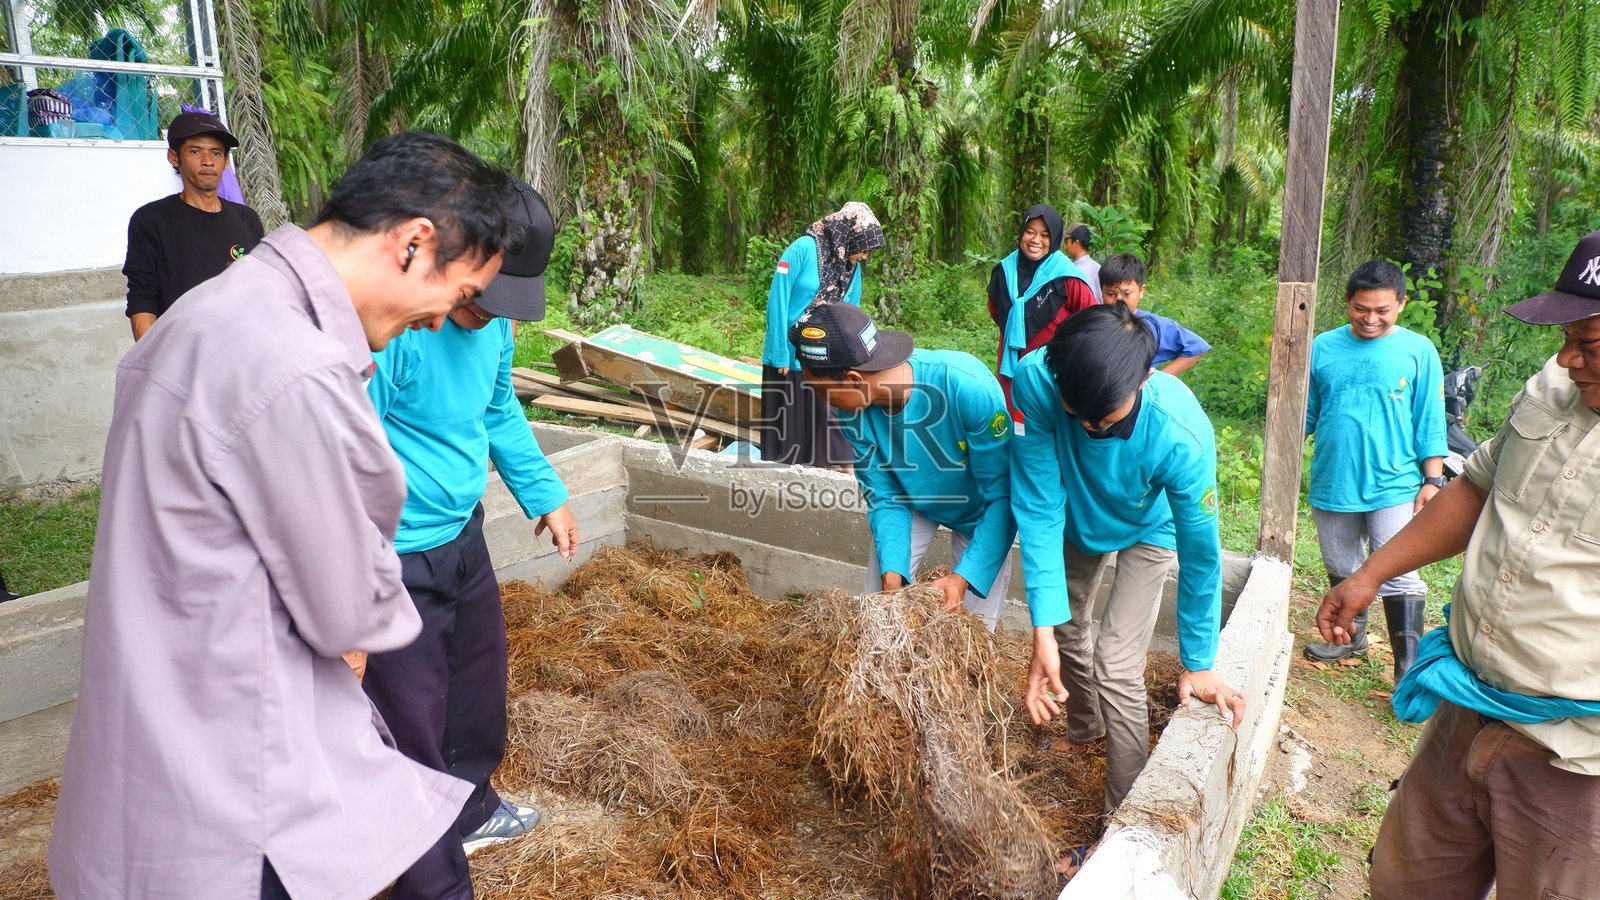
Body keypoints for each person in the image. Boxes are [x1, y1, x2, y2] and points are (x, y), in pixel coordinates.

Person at [48, 131, 519, 899]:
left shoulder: (209, 313)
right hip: (240, 791)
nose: (441, 321)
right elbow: (348, 610)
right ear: (413, 244)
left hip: (159, 757)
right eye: (460, 295)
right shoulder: (295, 366)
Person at [1315, 230, 1600, 899]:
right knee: (1405, 882)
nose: (1566, 357)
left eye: (1589, 344)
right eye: (1566, 338)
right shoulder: (1552, 389)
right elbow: (1474, 488)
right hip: (1466, 706)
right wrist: (1369, 574)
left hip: (1574, 760)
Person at [362, 175, 578, 899]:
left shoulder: (495, 326)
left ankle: (475, 806)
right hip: (395, 554)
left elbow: (499, 413)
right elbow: (352, 452)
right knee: (411, 715)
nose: (489, 315)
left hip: (462, 534)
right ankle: (424, 867)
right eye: (484, 296)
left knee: (477, 684)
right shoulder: (402, 332)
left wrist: (545, 495)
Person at [1009, 304, 1244, 826]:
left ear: (1145, 376)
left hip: (1148, 523)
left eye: (1106, 420)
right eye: (1080, 417)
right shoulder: (1034, 379)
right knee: (1066, 626)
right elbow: (1038, 501)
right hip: (1077, 512)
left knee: (1116, 661)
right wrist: (1040, 627)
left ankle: (1124, 817)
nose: (1091, 427)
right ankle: (1083, 728)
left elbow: (1201, 554)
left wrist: (1199, 660)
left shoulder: (1180, 432)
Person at [790, 302, 1017, 629]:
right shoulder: (853, 412)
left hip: (982, 512)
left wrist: (962, 578)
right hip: (910, 500)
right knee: (878, 612)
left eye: (822, 392)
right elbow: (884, 495)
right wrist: (892, 574)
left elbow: (1003, 495)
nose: (822, 401)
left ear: (853, 378)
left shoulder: (966, 389)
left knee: (972, 633)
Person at [1300, 260, 1445, 681]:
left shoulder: (1418, 351)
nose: (1370, 318)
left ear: (1401, 304)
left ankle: (1406, 665)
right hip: (1334, 479)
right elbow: (1305, 413)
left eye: (1382, 309)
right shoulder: (1322, 347)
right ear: (1347, 302)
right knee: (1342, 563)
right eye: (1361, 308)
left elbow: (1430, 420)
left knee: (1397, 570)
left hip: (1394, 483)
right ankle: (1350, 637)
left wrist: (1432, 480)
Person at [760, 202, 885, 467]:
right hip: (790, 356)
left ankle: (824, 480)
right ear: (847, 234)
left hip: (823, 357)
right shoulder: (802, 250)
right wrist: (779, 351)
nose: (864, 257)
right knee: (789, 433)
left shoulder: (851, 268)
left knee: (825, 421)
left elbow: (851, 313)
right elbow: (778, 300)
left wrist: (854, 353)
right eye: (863, 248)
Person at [123, 110, 265, 340]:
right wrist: (152, 363)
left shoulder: (247, 219)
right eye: (196, 151)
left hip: (244, 354)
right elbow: (142, 298)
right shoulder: (150, 220)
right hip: (185, 358)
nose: (208, 161)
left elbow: (262, 291)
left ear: (226, 161)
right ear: (174, 157)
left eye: (216, 153)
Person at [985, 204, 1098, 420]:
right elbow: (996, 312)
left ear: (1054, 238)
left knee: (1050, 426)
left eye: (1045, 235)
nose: (1036, 240)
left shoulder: (1065, 276)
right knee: (1015, 426)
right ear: (1021, 233)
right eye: (1030, 232)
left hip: (1053, 371)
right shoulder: (1004, 271)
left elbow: (1093, 319)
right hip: (1011, 368)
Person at [1098, 253, 1210, 375]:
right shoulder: (1093, 323)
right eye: (1110, 294)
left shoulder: (1155, 326)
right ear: (1101, 291)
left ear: (1141, 291)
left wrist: (1156, 381)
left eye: (1127, 294)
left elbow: (1197, 347)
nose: (1118, 301)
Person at [1064, 223, 1102, 302]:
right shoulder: (1097, 267)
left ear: (1076, 243)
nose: (1065, 247)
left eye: (1067, 242)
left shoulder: (1076, 272)